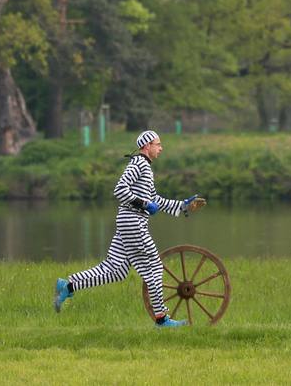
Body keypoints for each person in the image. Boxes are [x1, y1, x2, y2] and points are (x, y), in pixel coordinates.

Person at [53, 129, 203, 327]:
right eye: (158, 144)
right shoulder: (139, 164)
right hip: (133, 223)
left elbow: (154, 200)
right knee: (155, 267)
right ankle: (161, 319)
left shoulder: (145, 167)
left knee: (115, 270)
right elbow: (120, 189)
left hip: (127, 222)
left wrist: (181, 205)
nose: (161, 148)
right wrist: (143, 204)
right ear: (147, 146)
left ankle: (69, 285)